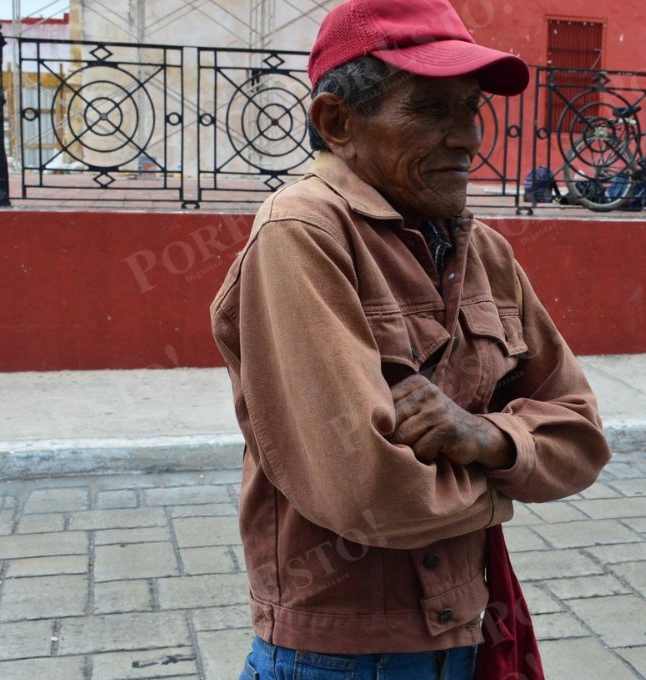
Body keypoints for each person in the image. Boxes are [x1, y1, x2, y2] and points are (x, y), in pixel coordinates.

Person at [210, 0, 612, 677]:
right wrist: (511, 479)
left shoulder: (482, 250)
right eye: (431, 111)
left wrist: (485, 438)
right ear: (338, 123)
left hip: (461, 636)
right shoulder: (301, 233)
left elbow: (581, 436)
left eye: (470, 109)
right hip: (338, 657)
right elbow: (369, 492)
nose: (467, 139)